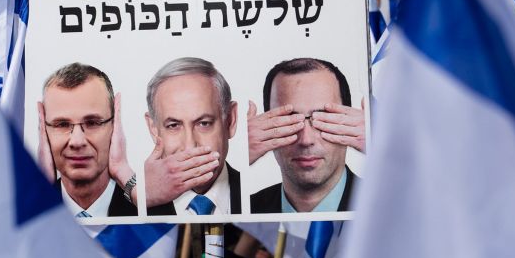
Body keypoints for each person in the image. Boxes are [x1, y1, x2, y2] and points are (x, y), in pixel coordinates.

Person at [248, 57, 365, 214]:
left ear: (349, 120)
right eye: (288, 120)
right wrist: (237, 154)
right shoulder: (244, 208)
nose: (306, 140)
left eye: (323, 119)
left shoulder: (393, 204)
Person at [142, 58, 242, 216]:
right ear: (153, 129)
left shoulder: (262, 201)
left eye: (204, 123)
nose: (190, 146)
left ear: (230, 120)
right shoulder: (132, 204)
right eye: (173, 126)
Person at [37, 63, 137, 218]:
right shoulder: (30, 209)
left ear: (115, 123)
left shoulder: (148, 204)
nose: (77, 142)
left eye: (92, 123)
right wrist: (41, 187)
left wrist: (123, 172)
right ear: (43, 128)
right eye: (62, 124)